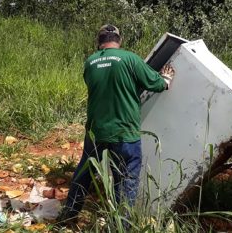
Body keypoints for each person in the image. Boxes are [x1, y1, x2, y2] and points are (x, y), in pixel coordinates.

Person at [58, 24, 175, 224]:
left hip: (96, 132)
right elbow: (155, 84)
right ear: (119, 40)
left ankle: (69, 215)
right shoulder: (130, 59)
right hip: (124, 133)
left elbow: (102, 85)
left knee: (85, 173)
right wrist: (165, 79)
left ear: (99, 41)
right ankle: (121, 225)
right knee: (126, 178)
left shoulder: (90, 62)